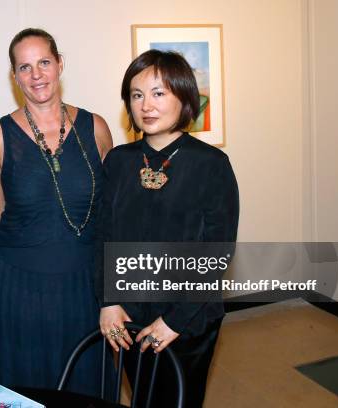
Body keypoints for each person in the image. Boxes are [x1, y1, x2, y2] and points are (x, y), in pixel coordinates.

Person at [96, 49, 239, 407]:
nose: (147, 105)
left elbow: (217, 253)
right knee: (143, 397)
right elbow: (104, 235)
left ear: (184, 96)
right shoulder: (119, 161)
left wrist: (173, 322)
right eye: (137, 95)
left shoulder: (211, 165)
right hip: (128, 314)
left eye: (159, 93)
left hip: (188, 318)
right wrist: (108, 302)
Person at [0, 28, 113, 394]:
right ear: (14, 76)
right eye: (25, 67)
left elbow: (110, 211)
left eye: (44, 62)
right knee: (27, 387)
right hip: (20, 288)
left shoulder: (97, 128)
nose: (36, 75)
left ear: (59, 64)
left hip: (85, 285)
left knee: (86, 383)